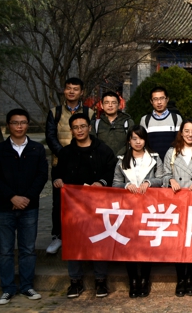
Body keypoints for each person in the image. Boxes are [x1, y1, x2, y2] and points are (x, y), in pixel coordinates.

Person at [51, 112, 117, 299]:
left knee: (99, 239)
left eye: (82, 126)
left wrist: (102, 182)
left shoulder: (103, 149)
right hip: (74, 206)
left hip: (98, 205)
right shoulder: (65, 152)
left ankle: (100, 281)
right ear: (71, 130)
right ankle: (75, 281)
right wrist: (57, 180)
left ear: (89, 127)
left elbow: (112, 171)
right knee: (74, 241)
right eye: (75, 127)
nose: (79, 130)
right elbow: (56, 172)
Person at [0, 108, 48, 305]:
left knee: (28, 248)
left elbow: (41, 176)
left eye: (23, 122)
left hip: (30, 207)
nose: (19, 126)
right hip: (4, 207)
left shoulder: (37, 149)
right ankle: (7, 288)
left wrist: (26, 198)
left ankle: (27, 286)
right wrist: (12, 197)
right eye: (15, 122)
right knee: (4, 250)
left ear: (28, 124)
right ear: (8, 125)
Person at [112, 126, 164, 298]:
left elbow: (161, 179)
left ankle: (145, 279)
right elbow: (115, 183)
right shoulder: (122, 160)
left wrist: (149, 182)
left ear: (145, 140)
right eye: (134, 138)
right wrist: (127, 185)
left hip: (149, 207)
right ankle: (133, 280)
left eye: (140, 138)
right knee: (129, 244)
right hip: (128, 208)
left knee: (146, 244)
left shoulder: (154, 158)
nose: (138, 142)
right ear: (129, 141)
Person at [45, 77, 91, 255]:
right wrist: (66, 155)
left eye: (75, 89)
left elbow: (92, 136)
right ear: (64, 90)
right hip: (60, 164)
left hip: (84, 164)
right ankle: (58, 236)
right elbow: (50, 137)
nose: (72, 91)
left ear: (81, 92)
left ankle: (82, 233)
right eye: (69, 88)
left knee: (83, 201)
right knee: (59, 202)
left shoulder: (89, 112)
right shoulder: (55, 112)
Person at [163, 119, 192, 296]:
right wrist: (170, 180)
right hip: (176, 202)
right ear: (181, 132)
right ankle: (180, 279)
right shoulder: (172, 152)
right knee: (178, 242)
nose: (190, 134)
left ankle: (190, 278)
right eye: (187, 131)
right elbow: (164, 173)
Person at [139, 86, 182, 163]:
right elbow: (142, 144)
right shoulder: (145, 120)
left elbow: (180, 142)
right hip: (151, 163)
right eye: (155, 99)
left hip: (172, 162)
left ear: (167, 99)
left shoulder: (176, 118)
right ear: (151, 101)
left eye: (162, 98)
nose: (159, 102)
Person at [93, 91, 134, 157]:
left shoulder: (128, 122)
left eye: (113, 102)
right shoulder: (95, 124)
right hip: (102, 160)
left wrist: (118, 157)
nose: (110, 105)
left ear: (119, 105)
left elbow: (132, 142)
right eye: (107, 102)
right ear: (102, 105)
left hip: (123, 160)